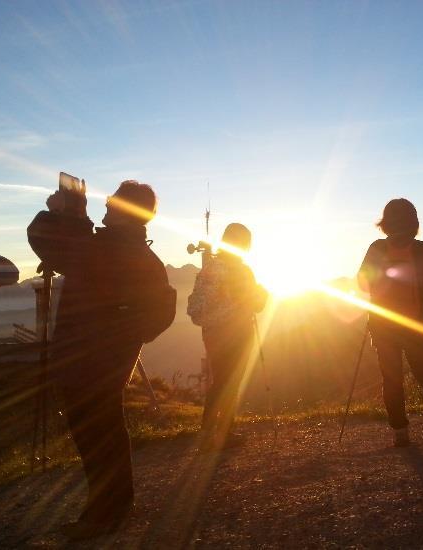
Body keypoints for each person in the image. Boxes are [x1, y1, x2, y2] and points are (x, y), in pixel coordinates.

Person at [27, 180, 175, 539]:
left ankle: (105, 515)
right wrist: (127, 333)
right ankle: (115, 506)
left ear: (126, 211)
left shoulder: (104, 249)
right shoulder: (140, 254)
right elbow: (161, 312)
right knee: (106, 429)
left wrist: (62, 212)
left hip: (86, 363)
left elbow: (44, 240)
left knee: (96, 435)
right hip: (109, 362)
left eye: (111, 201)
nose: (105, 205)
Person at [357, 198, 423, 446]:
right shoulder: (421, 249)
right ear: (414, 221)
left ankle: (400, 433)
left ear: (385, 222)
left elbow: (361, 284)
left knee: (391, 378)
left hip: (383, 324)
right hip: (415, 323)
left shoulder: (376, 248)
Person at [187, 223, 268, 450]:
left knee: (221, 379)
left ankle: (212, 432)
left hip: (212, 332)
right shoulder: (241, 271)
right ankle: (220, 433)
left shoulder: (211, 268)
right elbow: (256, 304)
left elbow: (198, 305)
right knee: (229, 381)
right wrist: (262, 294)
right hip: (238, 331)